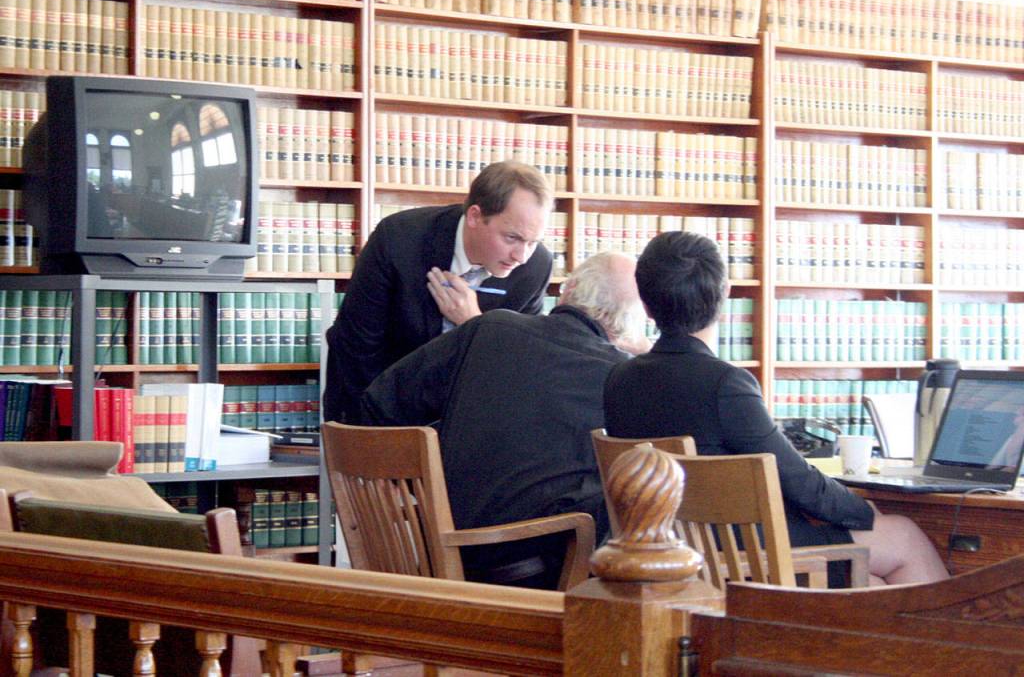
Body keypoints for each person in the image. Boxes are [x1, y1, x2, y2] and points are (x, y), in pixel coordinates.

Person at [603, 231, 950, 586]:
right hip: (748, 558)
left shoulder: (619, 380)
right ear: (725, 295)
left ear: (645, 304)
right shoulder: (725, 385)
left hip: (669, 557)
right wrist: (861, 511)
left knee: (873, 587)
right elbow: (799, 482)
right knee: (904, 535)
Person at [360, 251, 647, 589]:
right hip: (539, 580)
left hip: (434, 560)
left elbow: (379, 404)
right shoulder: (618, 376)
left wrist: (420, 487)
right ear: (623, 326)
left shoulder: (489, 328)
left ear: (567, 290)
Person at [322, 160, 555, 423]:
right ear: (475, 216)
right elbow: (357, 347)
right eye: (511, 238)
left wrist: (476, 325)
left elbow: (518, 364)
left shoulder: (535, 267)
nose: (521, 256)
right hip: (375, 406)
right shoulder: (399, 240)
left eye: (533, 242)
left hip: (470, 420)